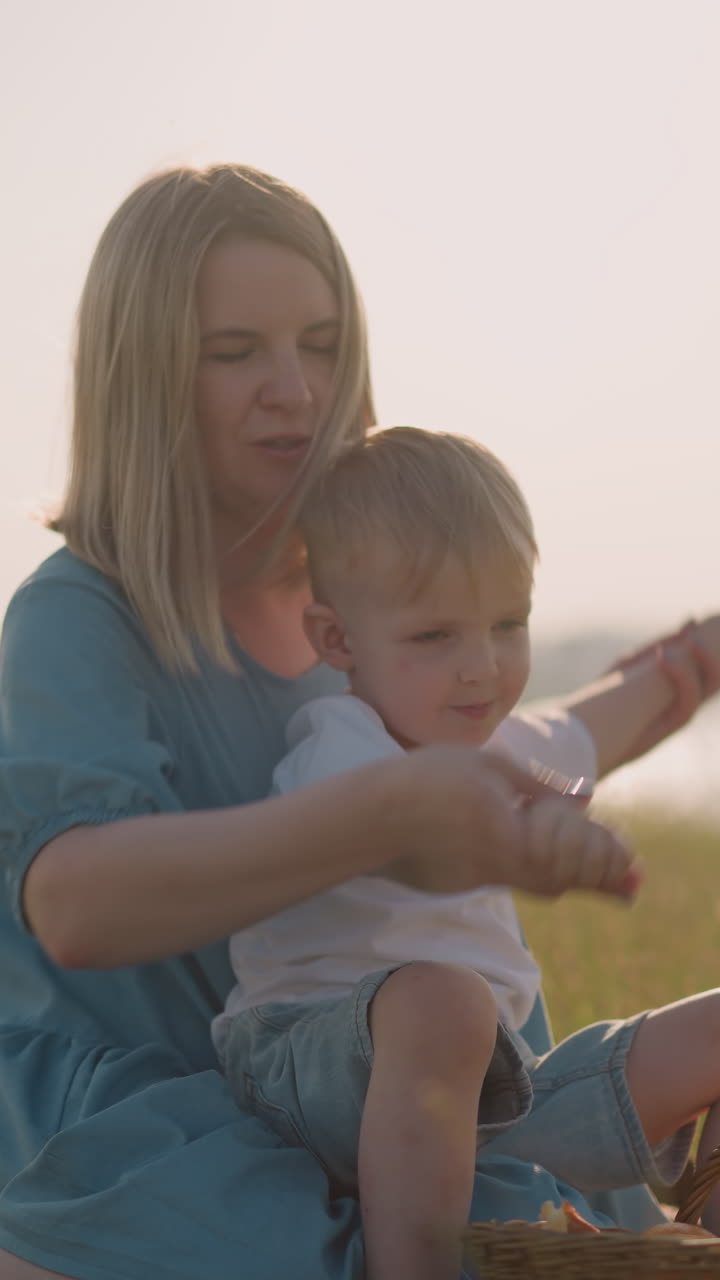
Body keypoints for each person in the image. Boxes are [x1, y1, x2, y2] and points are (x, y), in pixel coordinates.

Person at [0, 164, 718, 1280]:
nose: (295, 388)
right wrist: (387, 813)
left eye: (322, 343)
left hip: (416, 1078)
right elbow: (77, 904)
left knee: (568, 1206)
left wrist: (678, 675)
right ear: (144, 374)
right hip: (164, 1104)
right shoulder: (76, 612)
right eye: (234, 351)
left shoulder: (367, 588)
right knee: (328, 1238)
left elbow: (525, 732)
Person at [213, 426, 720, 1279]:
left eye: (508, 624)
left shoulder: (504, 746)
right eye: (436, 636)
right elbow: (422, 832)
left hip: (493, 1096)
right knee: (444, 1006)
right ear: (338, 641)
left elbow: (596, 721)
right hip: (318, 1072)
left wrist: (690, 667)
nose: (482, 667)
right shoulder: (341, 750)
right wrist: (529, 836)